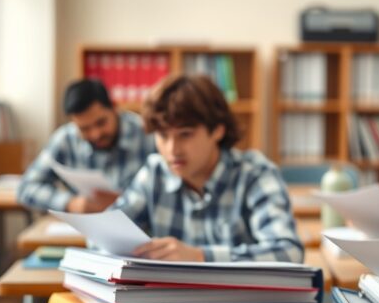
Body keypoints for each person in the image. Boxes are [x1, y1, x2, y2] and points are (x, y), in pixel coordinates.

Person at [111, 74, 302, 263]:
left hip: (239, 294)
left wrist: (200, 257)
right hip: (168, 293)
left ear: (218, 130)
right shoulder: (155, 172)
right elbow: (106, 236)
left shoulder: (255, 174)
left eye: (185, 135)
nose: (172, 149)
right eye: (162, 136)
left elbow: (289, 254)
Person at [17, 79, 155, 213]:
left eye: (101, 123)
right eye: (84, 128)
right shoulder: (66, 139)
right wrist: (70, 203)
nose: (95, 134)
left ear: (114, 107)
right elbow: (26, 188)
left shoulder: (148, 134)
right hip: (84, 229)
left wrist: (130, 202)